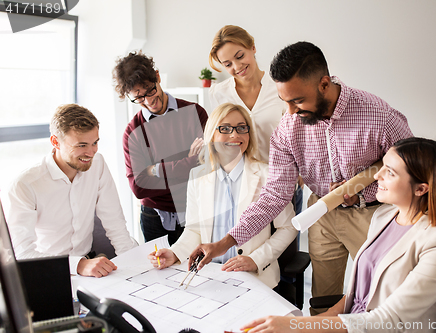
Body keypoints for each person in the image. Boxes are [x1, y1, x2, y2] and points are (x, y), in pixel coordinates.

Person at [189, 41, 413, 314]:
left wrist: (365, 187)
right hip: (321, 213)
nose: (291, 112)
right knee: (323, 302)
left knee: (386, 293)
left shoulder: (377, 114)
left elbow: (413, 166)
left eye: (297, 101)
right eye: (285, 102)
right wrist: (225, 242)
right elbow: (274, 195)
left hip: (373, 214)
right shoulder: (288, 127)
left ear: (324, 84)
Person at [240, 137, 436, 333]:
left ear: (421, 189)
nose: (377, 175)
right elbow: (356, 295)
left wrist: (299, 327)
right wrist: (313, 322)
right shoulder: (385, 216)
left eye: (390, 172)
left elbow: (388, 320)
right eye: (382, 166)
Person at [148, 103, 297, 288]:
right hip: (211, 277)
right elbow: (194, 230)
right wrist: (175, 253)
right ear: (211, 135)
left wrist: (255, 259)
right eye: (225, 129)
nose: (235, 135)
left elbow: (289, 227)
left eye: (242, 128)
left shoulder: (267, 175)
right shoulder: (197, 176)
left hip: (254, 278)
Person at [7, 104, 137, 278]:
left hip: (90, 265)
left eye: (95, 143)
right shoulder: (26, 185)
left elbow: (114, 221)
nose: (91, 152)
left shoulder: (97, 164)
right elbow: (21, 252)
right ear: (55, 142)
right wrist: (79, 265)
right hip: (48, 270)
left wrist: (135, 263)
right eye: (82, 145)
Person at [113, 51, 208, 244]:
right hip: (154, 218)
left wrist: (155, 170)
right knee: (159, 272)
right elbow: (139, 187)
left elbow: (207, 166)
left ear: (157, 77)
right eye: (139, 98)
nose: (148, 101)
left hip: (195, 208)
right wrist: (188, 164)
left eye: (150, 90)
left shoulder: (194, 113)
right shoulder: (133, 132)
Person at [208, 25, 303, 214]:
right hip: (242, 190)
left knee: (286, 240)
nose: (237, 67)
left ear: (252, 47)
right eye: (228, 64)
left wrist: (300, 174)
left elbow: (299, 136)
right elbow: (220, 141)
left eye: (240, 56)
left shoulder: (279, 87)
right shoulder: (218, 94)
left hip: (283, 186)